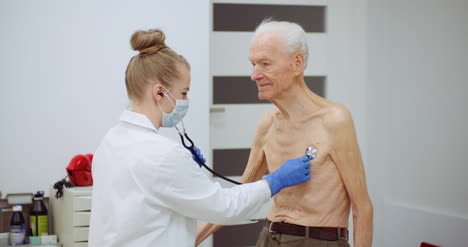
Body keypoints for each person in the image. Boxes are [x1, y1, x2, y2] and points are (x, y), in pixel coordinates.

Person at [88, 28, 313, 247]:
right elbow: (225, 207)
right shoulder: (163, 155)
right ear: (159, 93)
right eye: (184, 92)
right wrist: (275, 181)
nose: (186, 100)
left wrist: (186, 171)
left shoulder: (110, 142)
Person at [196, 20, 373, 247]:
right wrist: (193, 239)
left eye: (265, 64)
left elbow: (362, 208)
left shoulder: (334, 120)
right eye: (253, 64)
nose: (254, 75)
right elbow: (242, 195)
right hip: (268, 237)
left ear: (297, 63)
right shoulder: (267, 123)